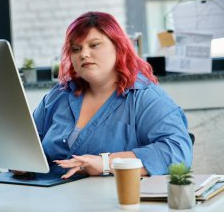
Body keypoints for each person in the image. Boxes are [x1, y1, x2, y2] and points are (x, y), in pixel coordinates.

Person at [32, 11, 192, 179]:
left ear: (118, 47)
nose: (84, 54)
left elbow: (177, 151)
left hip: (112, 199)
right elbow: (29, 143)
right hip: (50, 197)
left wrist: (107, 163)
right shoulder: (59, 95)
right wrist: (24, 164)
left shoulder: (145, 97)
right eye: (76, 49)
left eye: (94, 45)